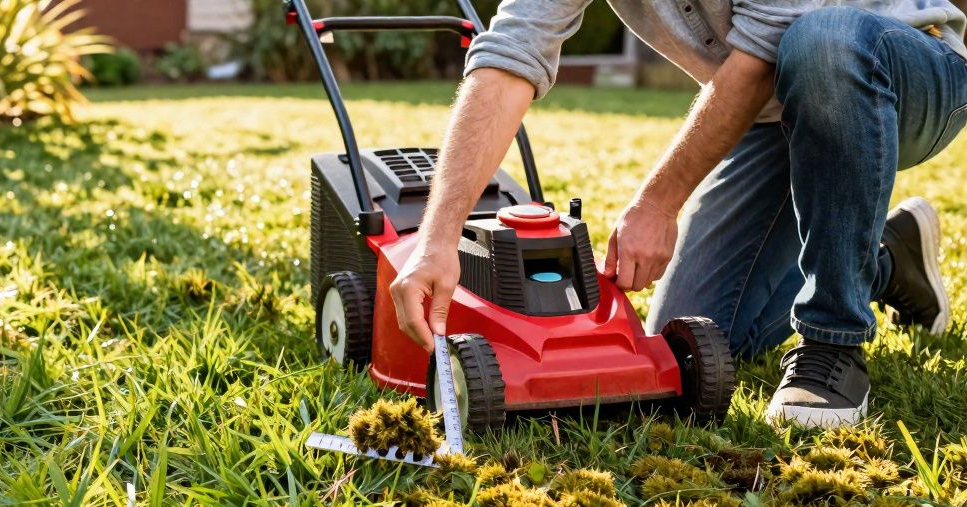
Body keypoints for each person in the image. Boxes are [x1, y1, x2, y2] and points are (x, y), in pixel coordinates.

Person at [390, 1, 965, 428]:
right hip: (772, 113)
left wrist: (658, 204)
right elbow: (510, 54)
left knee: (825, 41)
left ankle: (832, 345)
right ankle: (888, 257)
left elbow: (761, 56)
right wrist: (438, 240)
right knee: (697, 329)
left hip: (906, 63)